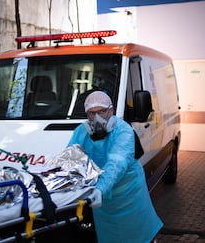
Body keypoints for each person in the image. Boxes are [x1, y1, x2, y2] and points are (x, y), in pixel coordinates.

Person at [67, 91, 163, 243]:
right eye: (91, 113)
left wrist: (100, 189)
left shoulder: (123, 131)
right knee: (109, 235)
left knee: (137, 234)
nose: (96, 118)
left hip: (128, 194)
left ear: (111, 111)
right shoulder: (81, 132)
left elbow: (116, 164)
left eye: (101, 112)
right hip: (103, 198)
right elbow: (70, 158)